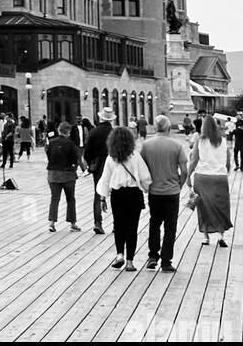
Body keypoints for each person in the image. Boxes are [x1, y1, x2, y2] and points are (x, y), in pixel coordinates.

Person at [96, 125, 151, 271]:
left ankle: (119, 254)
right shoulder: (135, 156)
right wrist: (146, 188)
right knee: (132, 228)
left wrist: (103, 198)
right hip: (133, 194)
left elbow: (105, 180)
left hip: (117, 194)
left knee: (119, 225)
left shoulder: (110, 159)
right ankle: (130, 261)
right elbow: (145, 177)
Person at [141, 115, 188, 273]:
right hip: (172, 191)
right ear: (169, 128)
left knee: (154, 223)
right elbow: (185, 171)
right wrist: (179, 185)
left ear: (155, 128)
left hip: (154, 191)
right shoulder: (177, 145)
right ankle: (166, 261)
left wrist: (147, 185)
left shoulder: (146, 146)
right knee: (170, 227)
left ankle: (153, 256)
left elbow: (142, 169)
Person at [187, 112, 232, 248]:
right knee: (221, 206)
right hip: (220, 178)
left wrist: (188, 176)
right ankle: (221, 235)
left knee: (204, 207)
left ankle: (206, 237)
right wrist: (225, 172)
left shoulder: (200, 141)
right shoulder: (223, 141)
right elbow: (228, 161)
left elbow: (194, 160)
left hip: (203, 177)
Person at [45, 121, 84, 232]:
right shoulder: (70, 143)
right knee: (70, 199)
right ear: (68, 132)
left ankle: (51, 223)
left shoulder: (51, 143)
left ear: (59, 130)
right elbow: (74, 159)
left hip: (53, 174)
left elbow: (48, 155)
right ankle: (72, 223)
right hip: (67, 175)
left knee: (54, 198)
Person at [83, 107, 114, 235]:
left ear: (101, 117)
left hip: (98, 166)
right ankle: (116, 224)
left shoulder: (94, 132)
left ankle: (98, 223)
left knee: (98, 193)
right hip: (113, 166)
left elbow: (87, 152)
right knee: (115, 194)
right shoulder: (114, 132)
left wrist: (91, 162)